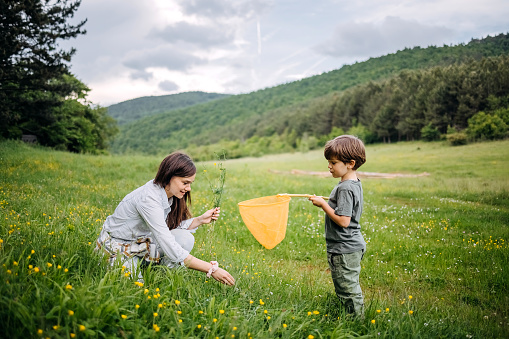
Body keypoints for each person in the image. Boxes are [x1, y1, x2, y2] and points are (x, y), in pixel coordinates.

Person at [95, 152, 235, 286]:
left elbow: (169, 229)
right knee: (135, 287)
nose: (189, 188)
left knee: (184, 238)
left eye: (190, 183)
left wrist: (199, 220)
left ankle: (162, 274)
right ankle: (132, 268)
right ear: (169, 176)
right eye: (185, 183)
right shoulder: (149, 199)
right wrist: (212, 269)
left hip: (141, 246)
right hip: (118, 250)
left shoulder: (168, 195)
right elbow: (167, 242)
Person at [308, 135, 366, 317]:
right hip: (349, 245)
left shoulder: (346, 188)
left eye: (333, 162)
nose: (329, 166)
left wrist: (323, 205)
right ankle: (352, 315)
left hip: (344, 248)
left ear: (350, 163)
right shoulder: (353, 183)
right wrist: (331, 201)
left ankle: (357, 321)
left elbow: (343, 221)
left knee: (348, 289)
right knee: (347, 285)